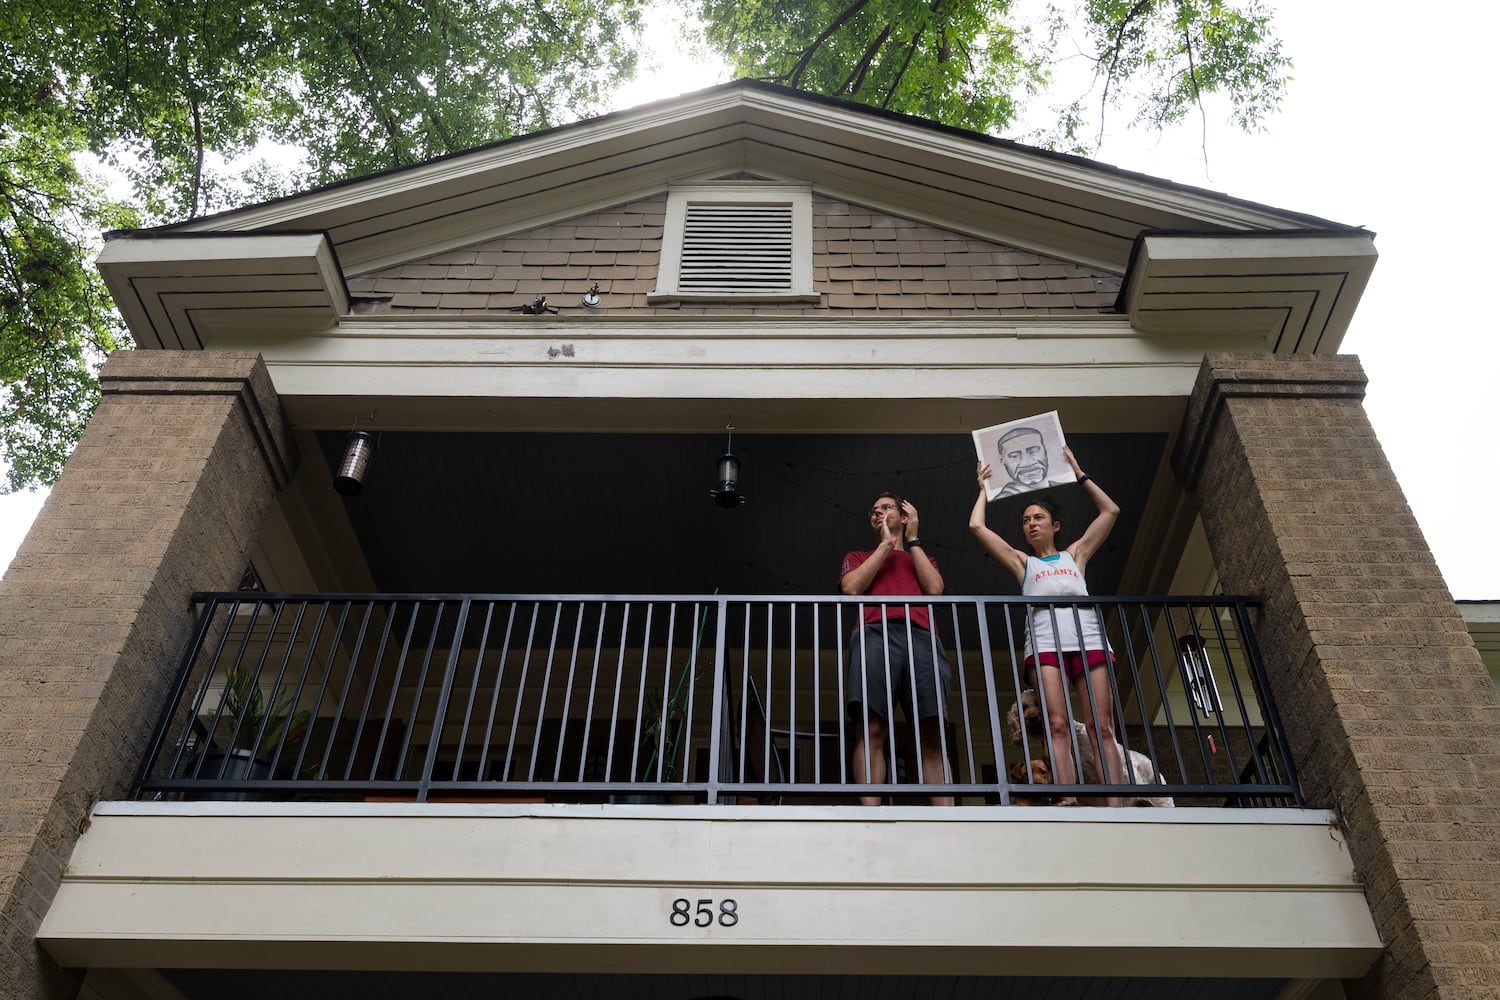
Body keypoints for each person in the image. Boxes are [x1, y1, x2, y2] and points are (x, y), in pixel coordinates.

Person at [969, 447, 1125, 805]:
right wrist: (983, 489)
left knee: (1101, 725)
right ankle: (1067, 801)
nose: (1031, 524)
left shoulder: (1075, 555)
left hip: (1087, 640)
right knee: (1057, 724)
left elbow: (1111, 510)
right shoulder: (1023, 563)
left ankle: (1118, 804)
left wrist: (1078, 472)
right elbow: (977, 526)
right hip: (1043, 646)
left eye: (1038, 517)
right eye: (1025, 520)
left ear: (1054, 525)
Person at [840, 493, 953, 806]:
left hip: (921, 635)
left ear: (905, 516)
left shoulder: (922, 558)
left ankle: (947, 821)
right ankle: (869, 819)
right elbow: (851, 588)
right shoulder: (859, 555)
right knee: (871, 727)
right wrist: (885, 545)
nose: (878, 513)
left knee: (932, 730)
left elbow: (935, 589)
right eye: (874, 511)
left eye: (886, 507)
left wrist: (913, 540)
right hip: (874, 634)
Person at [994, 426, 1069, 496]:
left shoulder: (1065, 489)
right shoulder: (1004, 499)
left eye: (1033, 451)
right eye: (1015, 456)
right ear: (1002, 460)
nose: (1027, 462)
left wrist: (1078, 472)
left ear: (1045, 449)